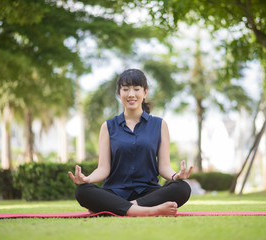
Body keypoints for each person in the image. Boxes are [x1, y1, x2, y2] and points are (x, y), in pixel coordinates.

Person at [68, 68, 193, 216]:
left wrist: (175, 176)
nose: (131, 94)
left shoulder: (159, 125)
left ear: (145, 92)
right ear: (119, 94)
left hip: (148, 194)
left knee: (182, 188)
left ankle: (120, 208)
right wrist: (87, 179)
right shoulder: (108, 127)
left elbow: (164, 166)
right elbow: (103, 168)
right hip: (115, 192)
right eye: (126, 89)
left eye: (136, 89)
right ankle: (151, 211)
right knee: (82, 191)